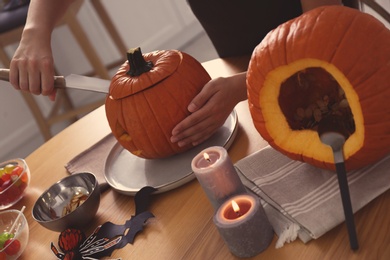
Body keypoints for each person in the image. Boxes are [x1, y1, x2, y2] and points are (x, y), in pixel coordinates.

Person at [9, 0, 346, 147]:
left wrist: (244, 85)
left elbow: (326, 39)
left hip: (328, 81)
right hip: (243, 67)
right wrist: (34, 33)